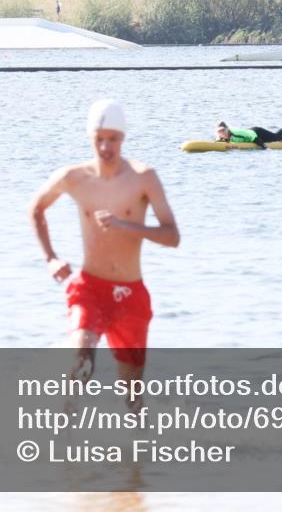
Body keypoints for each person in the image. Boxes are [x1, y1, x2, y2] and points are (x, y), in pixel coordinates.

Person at [29, 99, 180, 399]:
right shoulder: (74, 178)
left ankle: (140, 443)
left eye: (112, 139)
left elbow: (172, 236)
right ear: (90, 139)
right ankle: (62, 437)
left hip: (131, 294)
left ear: (122, 138)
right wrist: (50, 257)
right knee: (81, 362)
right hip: (90, 288)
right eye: (99, 140)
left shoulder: (143, 178)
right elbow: (36, 209)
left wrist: (127, 226)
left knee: (132, 395)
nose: (105, 147)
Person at [215, 122, 282, 149]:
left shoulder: (236, 133)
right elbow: (219, 140)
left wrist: (264, 147)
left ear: (227, 128)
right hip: (250, 133)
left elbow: (254, 138)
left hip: (257, 133)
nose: (222, 133)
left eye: (223, 130)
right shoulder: (220, 135)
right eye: (219, 131)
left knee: (275, 138)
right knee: (273, 138)